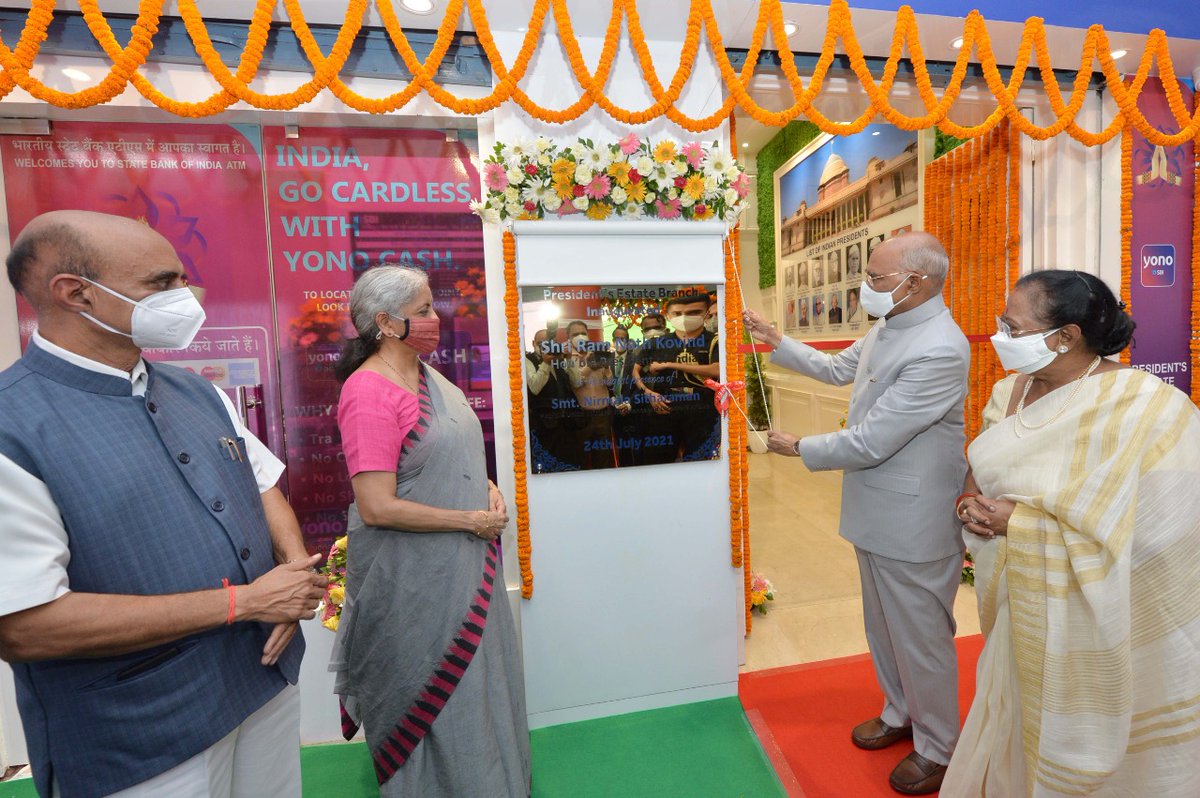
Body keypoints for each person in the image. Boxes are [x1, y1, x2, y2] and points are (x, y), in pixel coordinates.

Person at [0, 210, 325, 798]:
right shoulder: (13, 426)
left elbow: (261, 482)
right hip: (141, 732)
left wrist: (292, 576)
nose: (187, 296)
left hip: (263, 684)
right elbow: (25, 626)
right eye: (162, 283)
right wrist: (245, 602)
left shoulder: (195, 391)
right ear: (77, 295)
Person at [943, 270, 1200, 797]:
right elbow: (985, 465)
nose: (1000, 336)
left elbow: (1164, 527)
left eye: (1012, 327)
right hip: (1023, 596)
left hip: (1106, 611)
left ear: (1066, 337)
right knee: (1016, 706)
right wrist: (972, 502)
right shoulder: (1010, 391)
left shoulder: (1147, 404)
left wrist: (1023, 523)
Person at [745, 232, 970, 796]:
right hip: (876, 509)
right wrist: (778, 341)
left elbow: (872, 441)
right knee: (882, 626)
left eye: (874, 278)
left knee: (921, 636)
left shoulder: (940, 347)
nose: (865, 287)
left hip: (914, 519)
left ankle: (940, 747)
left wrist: (800, 448)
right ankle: (899, 712)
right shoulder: (889, 326)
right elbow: (837, 371)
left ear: (915, 282)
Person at [331, 265, 530, 796]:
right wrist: (469, 520)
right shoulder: (368, 392)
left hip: (466, 567)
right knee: (432, 690)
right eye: (421, 310)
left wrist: (485, 485)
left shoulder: (428, 376)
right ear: (384, 322)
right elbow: (376, 506)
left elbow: (448, 449)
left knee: (479, 686)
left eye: (430, 306)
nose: (433, 318)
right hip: (414, 582)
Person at [633, 291, 721, 464]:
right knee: (658, 461)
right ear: (668, 316)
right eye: (677, 314)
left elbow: (717, 370)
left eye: (693, 312)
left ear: (706, 313)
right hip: (664, 405)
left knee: (699, 460)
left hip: (701, 407)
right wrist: (648, 393)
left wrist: (669, 365)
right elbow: (635, 372)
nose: (684, 318)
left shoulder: (715, 341)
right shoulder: (657, 343)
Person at [524, 328, 571, 473]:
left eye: (548, 343)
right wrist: (545, 363)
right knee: (546, 468)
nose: (545, 346)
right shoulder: (527, 360)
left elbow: (576, 382)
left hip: (565, 424)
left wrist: (569, 359)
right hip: (543, 426)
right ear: (533, 343)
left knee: (566, 464)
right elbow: (534, 387)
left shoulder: (560, 359)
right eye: (540, 343)